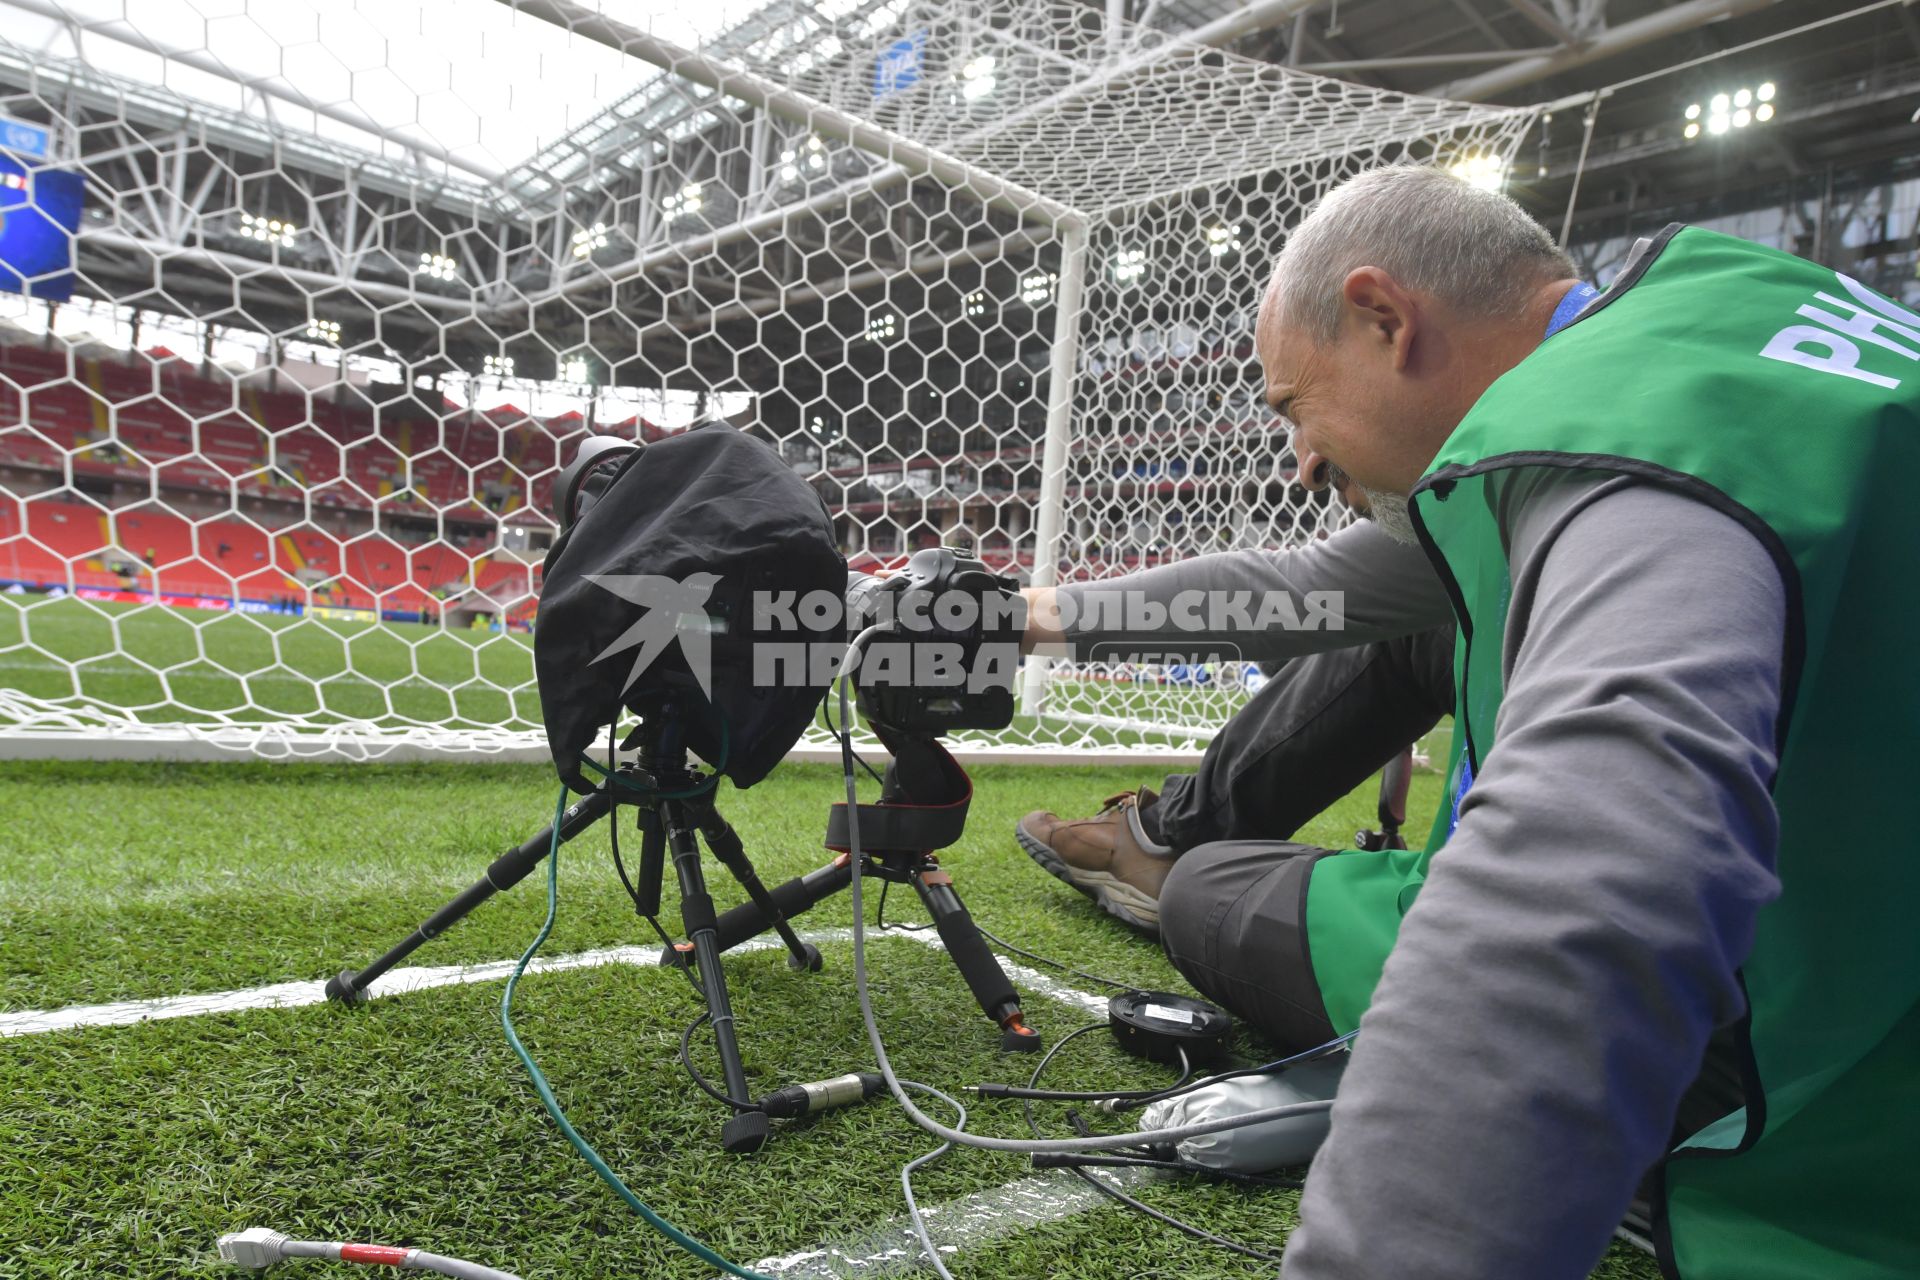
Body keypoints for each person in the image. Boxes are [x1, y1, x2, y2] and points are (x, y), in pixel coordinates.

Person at [1013, 164, 1918, 1280]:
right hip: (1858, 910)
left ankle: (1176, 862)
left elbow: (1593, 879)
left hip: (1807, 1049)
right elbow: (1304, 589)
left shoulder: (1619, 458)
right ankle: (1170, 832)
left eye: (1296, 406)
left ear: (1388, 319)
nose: (1302, 462)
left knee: (1213, 893)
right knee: (1418, 612)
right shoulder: (1725, 316)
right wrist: (1031, 616)